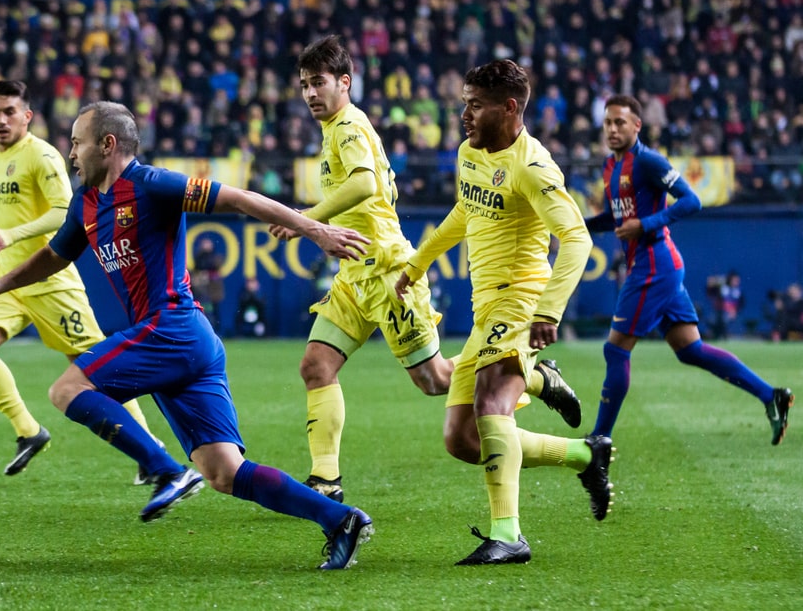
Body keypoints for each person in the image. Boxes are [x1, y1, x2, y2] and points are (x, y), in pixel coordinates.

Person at [0, 101, 375, 569]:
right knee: (222, 472)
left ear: (108, 145)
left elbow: (237, 198)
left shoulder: (151, 185)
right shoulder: (86, 203)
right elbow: (54, 257)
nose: (71, 152)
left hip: (170, 327)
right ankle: (340, 519)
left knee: (67, 388)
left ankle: (163, 469)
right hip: (184, 342)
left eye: (77, 142)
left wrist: (313, 228)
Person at [269, 36, 581, 504]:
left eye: (318, 83)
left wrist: (305, 219)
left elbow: (363, 184)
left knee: (436, 381)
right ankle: (325, 480)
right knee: (316, 365)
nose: (310, 93)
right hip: (355, 275)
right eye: (303, 85)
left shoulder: (348, 127)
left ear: (344, 82)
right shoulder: (335, 128)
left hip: (385, 270)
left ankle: (535, 377)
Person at [395, 59, 612, 566]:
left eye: (475, 104)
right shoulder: (469, 153)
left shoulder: (533, 167)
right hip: (484, 308)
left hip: (519, 301)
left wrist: (548, 312)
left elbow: (576, 238)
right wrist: (417, 263)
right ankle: (583, 451)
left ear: (509, 108)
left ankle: (508, 535)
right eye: (464, 102)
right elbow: (463, 213)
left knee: (492, 404)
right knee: (463, 440)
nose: (464, 114)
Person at [0, 80, 160, 478]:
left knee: (95, 367)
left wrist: (11, 236)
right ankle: (29, 432)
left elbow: (63, 210)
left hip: (49, 282)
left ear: (27, 116)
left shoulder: (42, 155)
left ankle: (148, 445)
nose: (1, 120)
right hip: (8, 279)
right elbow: (8, 218)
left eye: (9, 112)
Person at [586, 94, 794, 445]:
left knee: (616, 349)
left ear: (637, 125)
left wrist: (647, 223)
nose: (612, 129)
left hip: (654, 265)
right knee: (690, 349)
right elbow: (617, 218)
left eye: (620, 122)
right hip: (654, 264)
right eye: (608, 122)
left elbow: (691, 200)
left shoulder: (649, 161)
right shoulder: (610, 166)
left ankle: (599, 439)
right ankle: (771, 396)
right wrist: (578, 225)